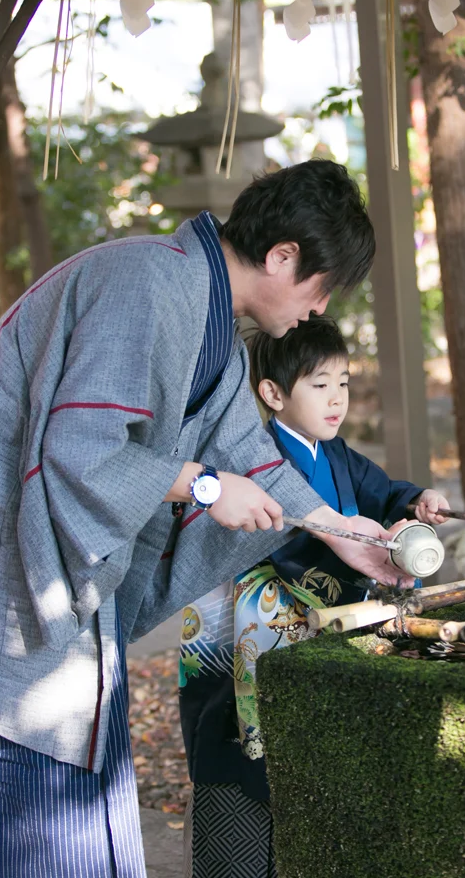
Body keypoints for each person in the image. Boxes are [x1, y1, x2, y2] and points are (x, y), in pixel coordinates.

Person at [0, 160, 411, 878]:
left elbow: (250, 455)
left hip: (49, 572)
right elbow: (82, 449)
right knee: (24, 776)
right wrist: (203, 488)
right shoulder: (148, 282)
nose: (319, 308)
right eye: (321, 286)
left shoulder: (208, 320)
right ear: (282, 256)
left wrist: (346, 533)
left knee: (78, 756)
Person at [178, 315, 449, 877]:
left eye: (344, 383)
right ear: (272, 393)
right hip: (256, 632)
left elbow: (386, 493)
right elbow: (279, 538)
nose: (336, 399)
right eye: (319, 384)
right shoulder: (256, 454)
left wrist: (418, 500)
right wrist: (350, 547)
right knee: (245, 755)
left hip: (316, 629)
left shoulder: (340, 456)